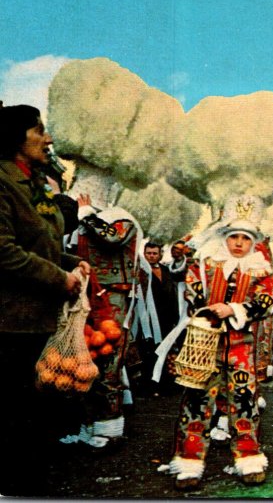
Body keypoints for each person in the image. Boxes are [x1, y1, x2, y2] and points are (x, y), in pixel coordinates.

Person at [0, 104, 90, 495]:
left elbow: (40, 241)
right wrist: (60, 279)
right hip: (11, 320)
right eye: (39, 130)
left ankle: (28, 478)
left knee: (36, 410)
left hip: (39, 316)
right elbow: (4, 251)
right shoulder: (2, 183)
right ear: (15, 138)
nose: (48, 138)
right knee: (16, 411)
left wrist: (73, 262)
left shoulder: (31, 182)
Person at [164, 194, 273, 490]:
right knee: (197, 400)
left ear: (253, 241)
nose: (239, 243)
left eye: (245, 237)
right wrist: (204, 308)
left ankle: (248, 457)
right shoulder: (206, 265)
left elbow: (266, 301)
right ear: (224, 237)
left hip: (241, 347)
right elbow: (191, 289)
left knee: (243, 400)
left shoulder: (261, 270)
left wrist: (235, 309)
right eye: (234, 237)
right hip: (205, 347)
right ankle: (189, 461)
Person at [64, 190, 140, 450]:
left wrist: (86, 215)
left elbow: (112, 237)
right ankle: (88, 425)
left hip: (113, 300)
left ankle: (109, 427)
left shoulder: (122, 220)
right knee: (84, 364)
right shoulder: (82, 224)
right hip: (83, 299)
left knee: (108, 363)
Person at [134, 242, 180, 395]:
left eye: (154, 253)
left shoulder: (167, 270)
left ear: (160, 254)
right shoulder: (140, 272)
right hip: (147, 318)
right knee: (148, 351)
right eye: (149, 253)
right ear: (144, 254)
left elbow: (173, 293)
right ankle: (149, 384)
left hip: (166, 318)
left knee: (166, 351)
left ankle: (165, 384)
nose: (152, 256)